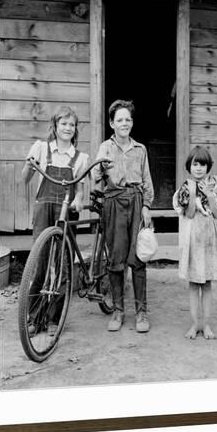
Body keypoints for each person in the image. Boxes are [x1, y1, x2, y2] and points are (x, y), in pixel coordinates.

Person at [22, 105, 89, 335]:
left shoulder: (80, 157)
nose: (68, 128)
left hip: (66, 211)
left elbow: (80, 190)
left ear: (75, 129)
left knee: (63, 265)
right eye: (64, 123)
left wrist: (78, 200)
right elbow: (25, 178)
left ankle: (54, 320)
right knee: (39, 262)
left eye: (72, 125)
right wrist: (29, 166)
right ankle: (33, 318)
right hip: (43, 209)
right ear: (55, 125)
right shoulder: (41, 148)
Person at [92, 99, 154, 333]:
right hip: (113, 203)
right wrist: (101, 169)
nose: (124, 123)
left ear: (132, 122)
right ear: (111, 123)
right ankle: (118, 310)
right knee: (116, 259)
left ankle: (141, 312)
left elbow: (147, 180)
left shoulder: (140, 149)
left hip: (137, 202)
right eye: (120, 120)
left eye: (128, 119)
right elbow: (96, 178)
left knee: (138, 258)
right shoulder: (105, 148)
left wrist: (147, 206)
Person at [172, 145, 217, 340]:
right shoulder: (185, 188)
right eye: (195, 164)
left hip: (209, 238)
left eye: (203, 165)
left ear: (208, 167)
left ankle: (206, 324)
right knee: (195, 284)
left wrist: (210, 193)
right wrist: (195, 193)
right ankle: (195, 324)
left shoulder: (214, 186)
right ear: (189, 166)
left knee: (207, 284)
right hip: (193, 238)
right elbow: (187, 213)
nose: (199, 169)